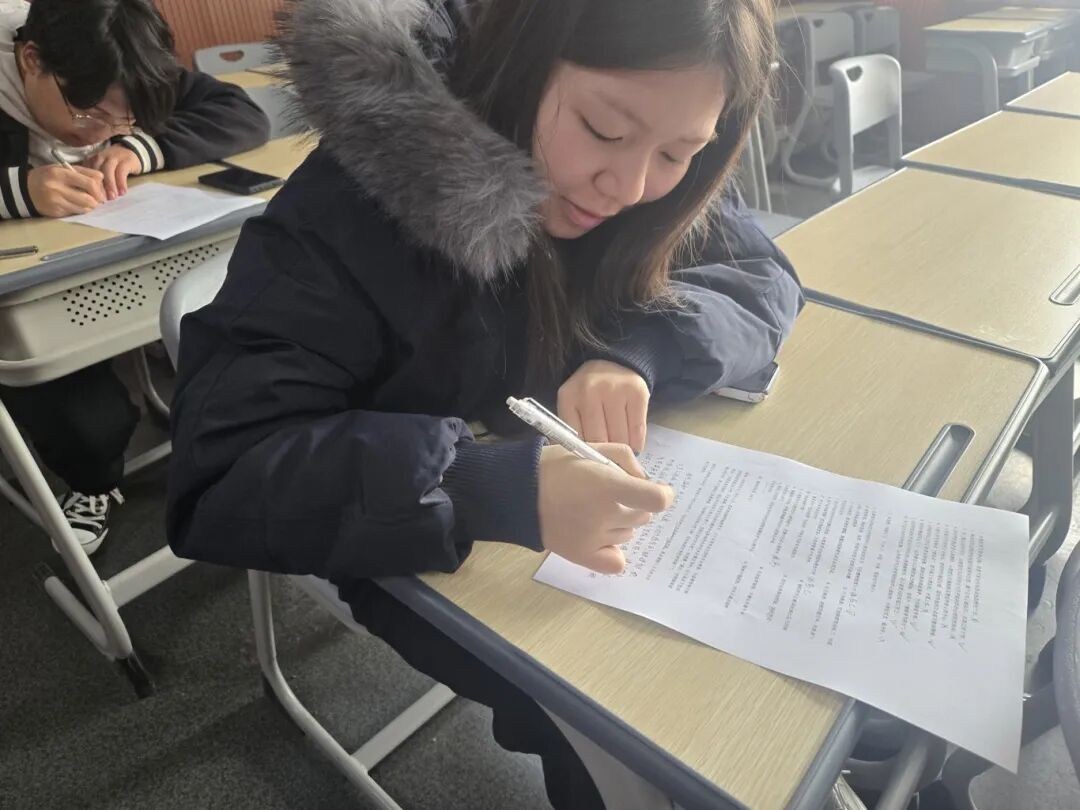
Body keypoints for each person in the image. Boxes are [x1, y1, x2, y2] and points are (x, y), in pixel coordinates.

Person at [167, 0, 802, 805]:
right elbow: (223, 469)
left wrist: (638, 355)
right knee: (633, 742)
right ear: (523, 62)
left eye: (680, 152)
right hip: (405, 534)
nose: (632, 186)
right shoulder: (351, 206)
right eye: (604, 130)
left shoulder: (647, 169)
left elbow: (757, 275)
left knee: (759, 713)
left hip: (569, 524)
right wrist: (483, 485)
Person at [0, 0, 270, 555]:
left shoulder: (120, 58)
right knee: (87, 422)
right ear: (31, 61)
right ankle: (91, 481)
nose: (98, 134)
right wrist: (17, 191)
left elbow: (242, 115)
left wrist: (140, 146)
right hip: (27, 283)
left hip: (114, 251)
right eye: (89, 115)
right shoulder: (72, 51)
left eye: (123, 118)